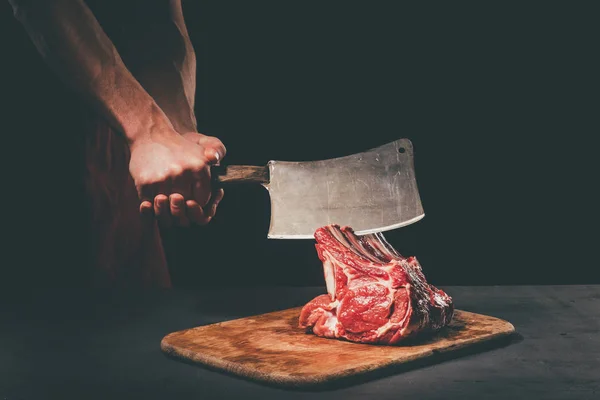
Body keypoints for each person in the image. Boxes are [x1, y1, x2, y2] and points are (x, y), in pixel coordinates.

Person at [7, 0, 224, 288]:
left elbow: (158, 15)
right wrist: (148, 130)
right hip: (28, 135)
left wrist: (176, 128)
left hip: (128, 149)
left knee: (132, 316)